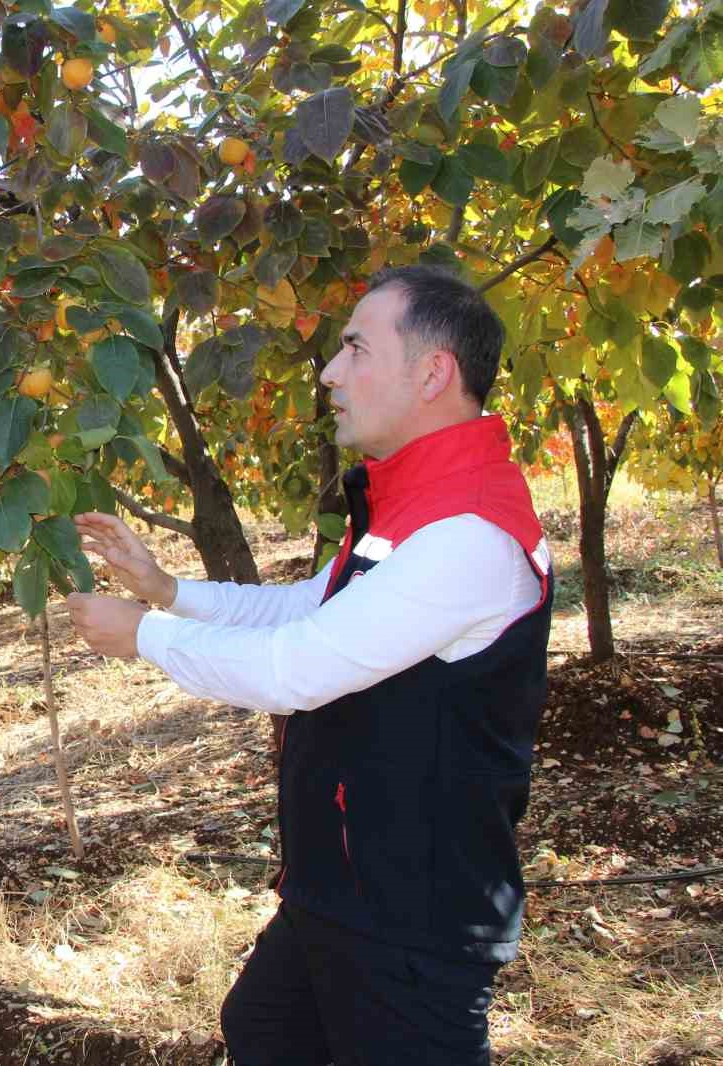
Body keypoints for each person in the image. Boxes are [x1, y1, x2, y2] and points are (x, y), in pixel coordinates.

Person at [67, 266, 553, 1065]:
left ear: (433, 373)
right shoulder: (417, 505)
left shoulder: (469, 534)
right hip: (345, 887)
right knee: (264, 1028)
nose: (329, 371)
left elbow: (298, 666)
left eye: (357, 348)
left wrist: (143, 634)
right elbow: (313, 607)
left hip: (411, 917)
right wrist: (166, 589)